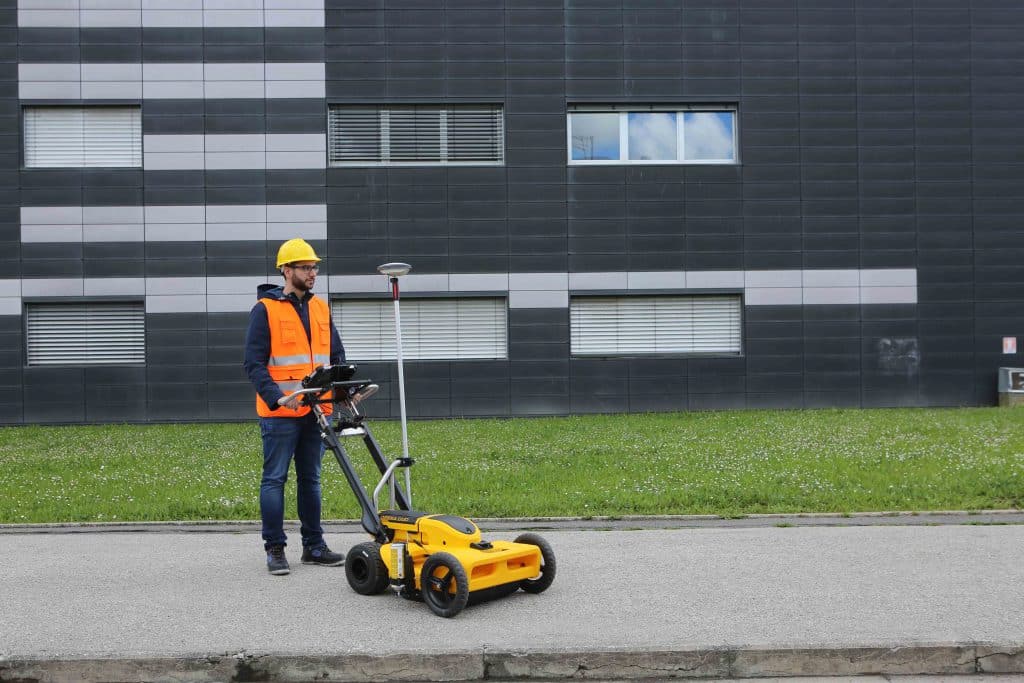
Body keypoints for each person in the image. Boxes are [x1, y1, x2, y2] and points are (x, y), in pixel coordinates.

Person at [243, 238, 346, 576]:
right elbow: (253, 363)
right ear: (286, 271)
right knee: (274, 479)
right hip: (281, 413)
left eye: (314, 267)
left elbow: (335, 355)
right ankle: (275, 549)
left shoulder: (320, 307)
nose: (312, 272)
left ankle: (314, 546)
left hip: (317, 410)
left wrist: (343, 389)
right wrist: (276, 397)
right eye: (304, 267)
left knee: (311, 480)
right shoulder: (266, 309)